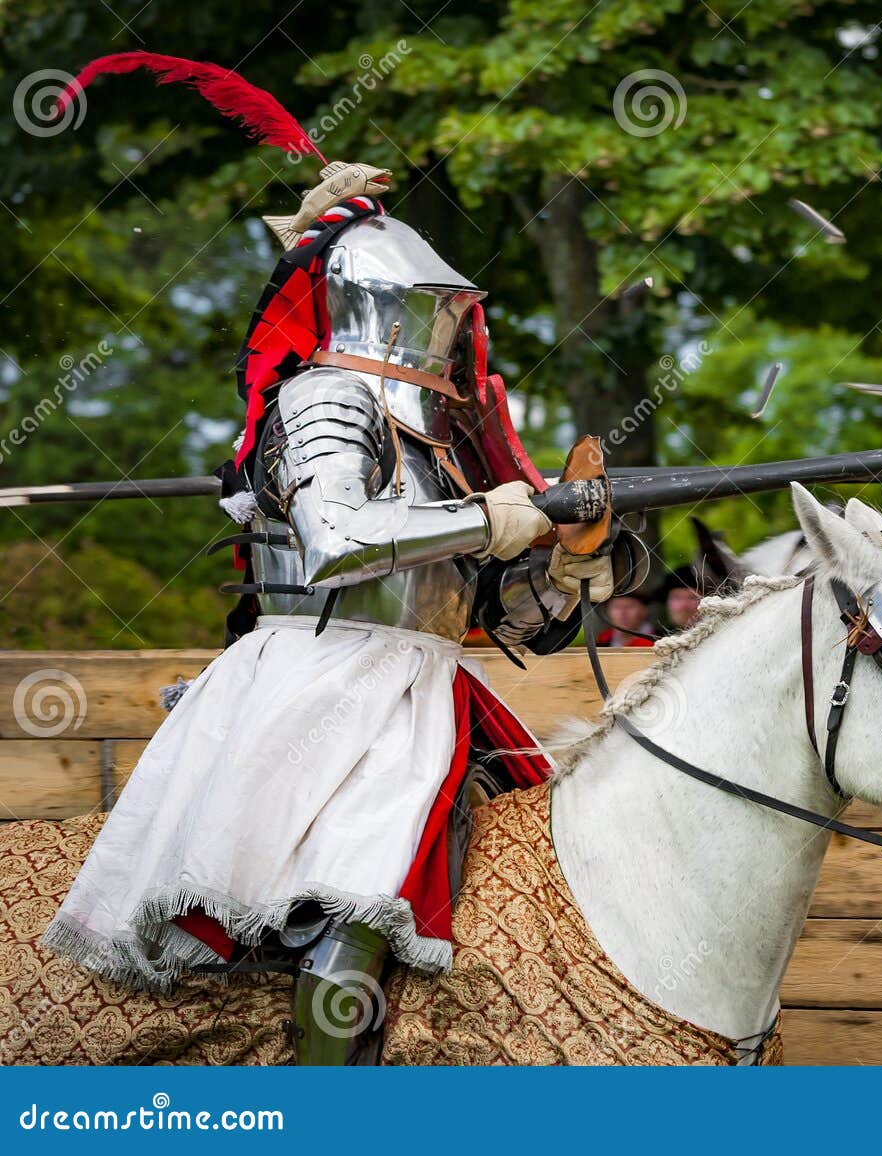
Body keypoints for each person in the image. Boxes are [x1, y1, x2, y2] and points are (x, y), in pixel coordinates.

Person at [41, 55, 623, 1065]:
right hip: (320, 685)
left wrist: (566, 562)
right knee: (348, 925)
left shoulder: (449, 434)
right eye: (437, 307)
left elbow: (499, 613)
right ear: (378, 303)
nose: (454, 328)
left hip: (432, 693)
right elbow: (336, 540)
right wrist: (491, 519)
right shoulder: (322, 399)